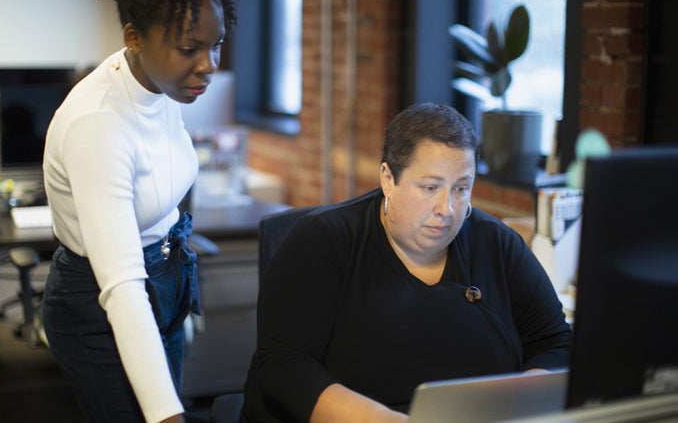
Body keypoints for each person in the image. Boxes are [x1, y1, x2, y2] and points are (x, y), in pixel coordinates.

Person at [241, 103, 572, 422]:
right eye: (430, 188)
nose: (447, 208)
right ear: (388, 178)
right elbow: (284, 367)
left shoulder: (497, 244)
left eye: (461, 188)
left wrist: (519, 406)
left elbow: (554, 342)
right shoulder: (325, 241)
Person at [41, 0, 236, 423]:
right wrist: (168, 415)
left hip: (162, 280)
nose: (209, 64)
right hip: (102, 301)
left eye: (216, 44)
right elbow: (123, 285)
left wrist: (171, 287)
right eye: (190, 48)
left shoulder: (162, 85)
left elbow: (162, 182)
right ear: (134, 38)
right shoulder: (99, 124)